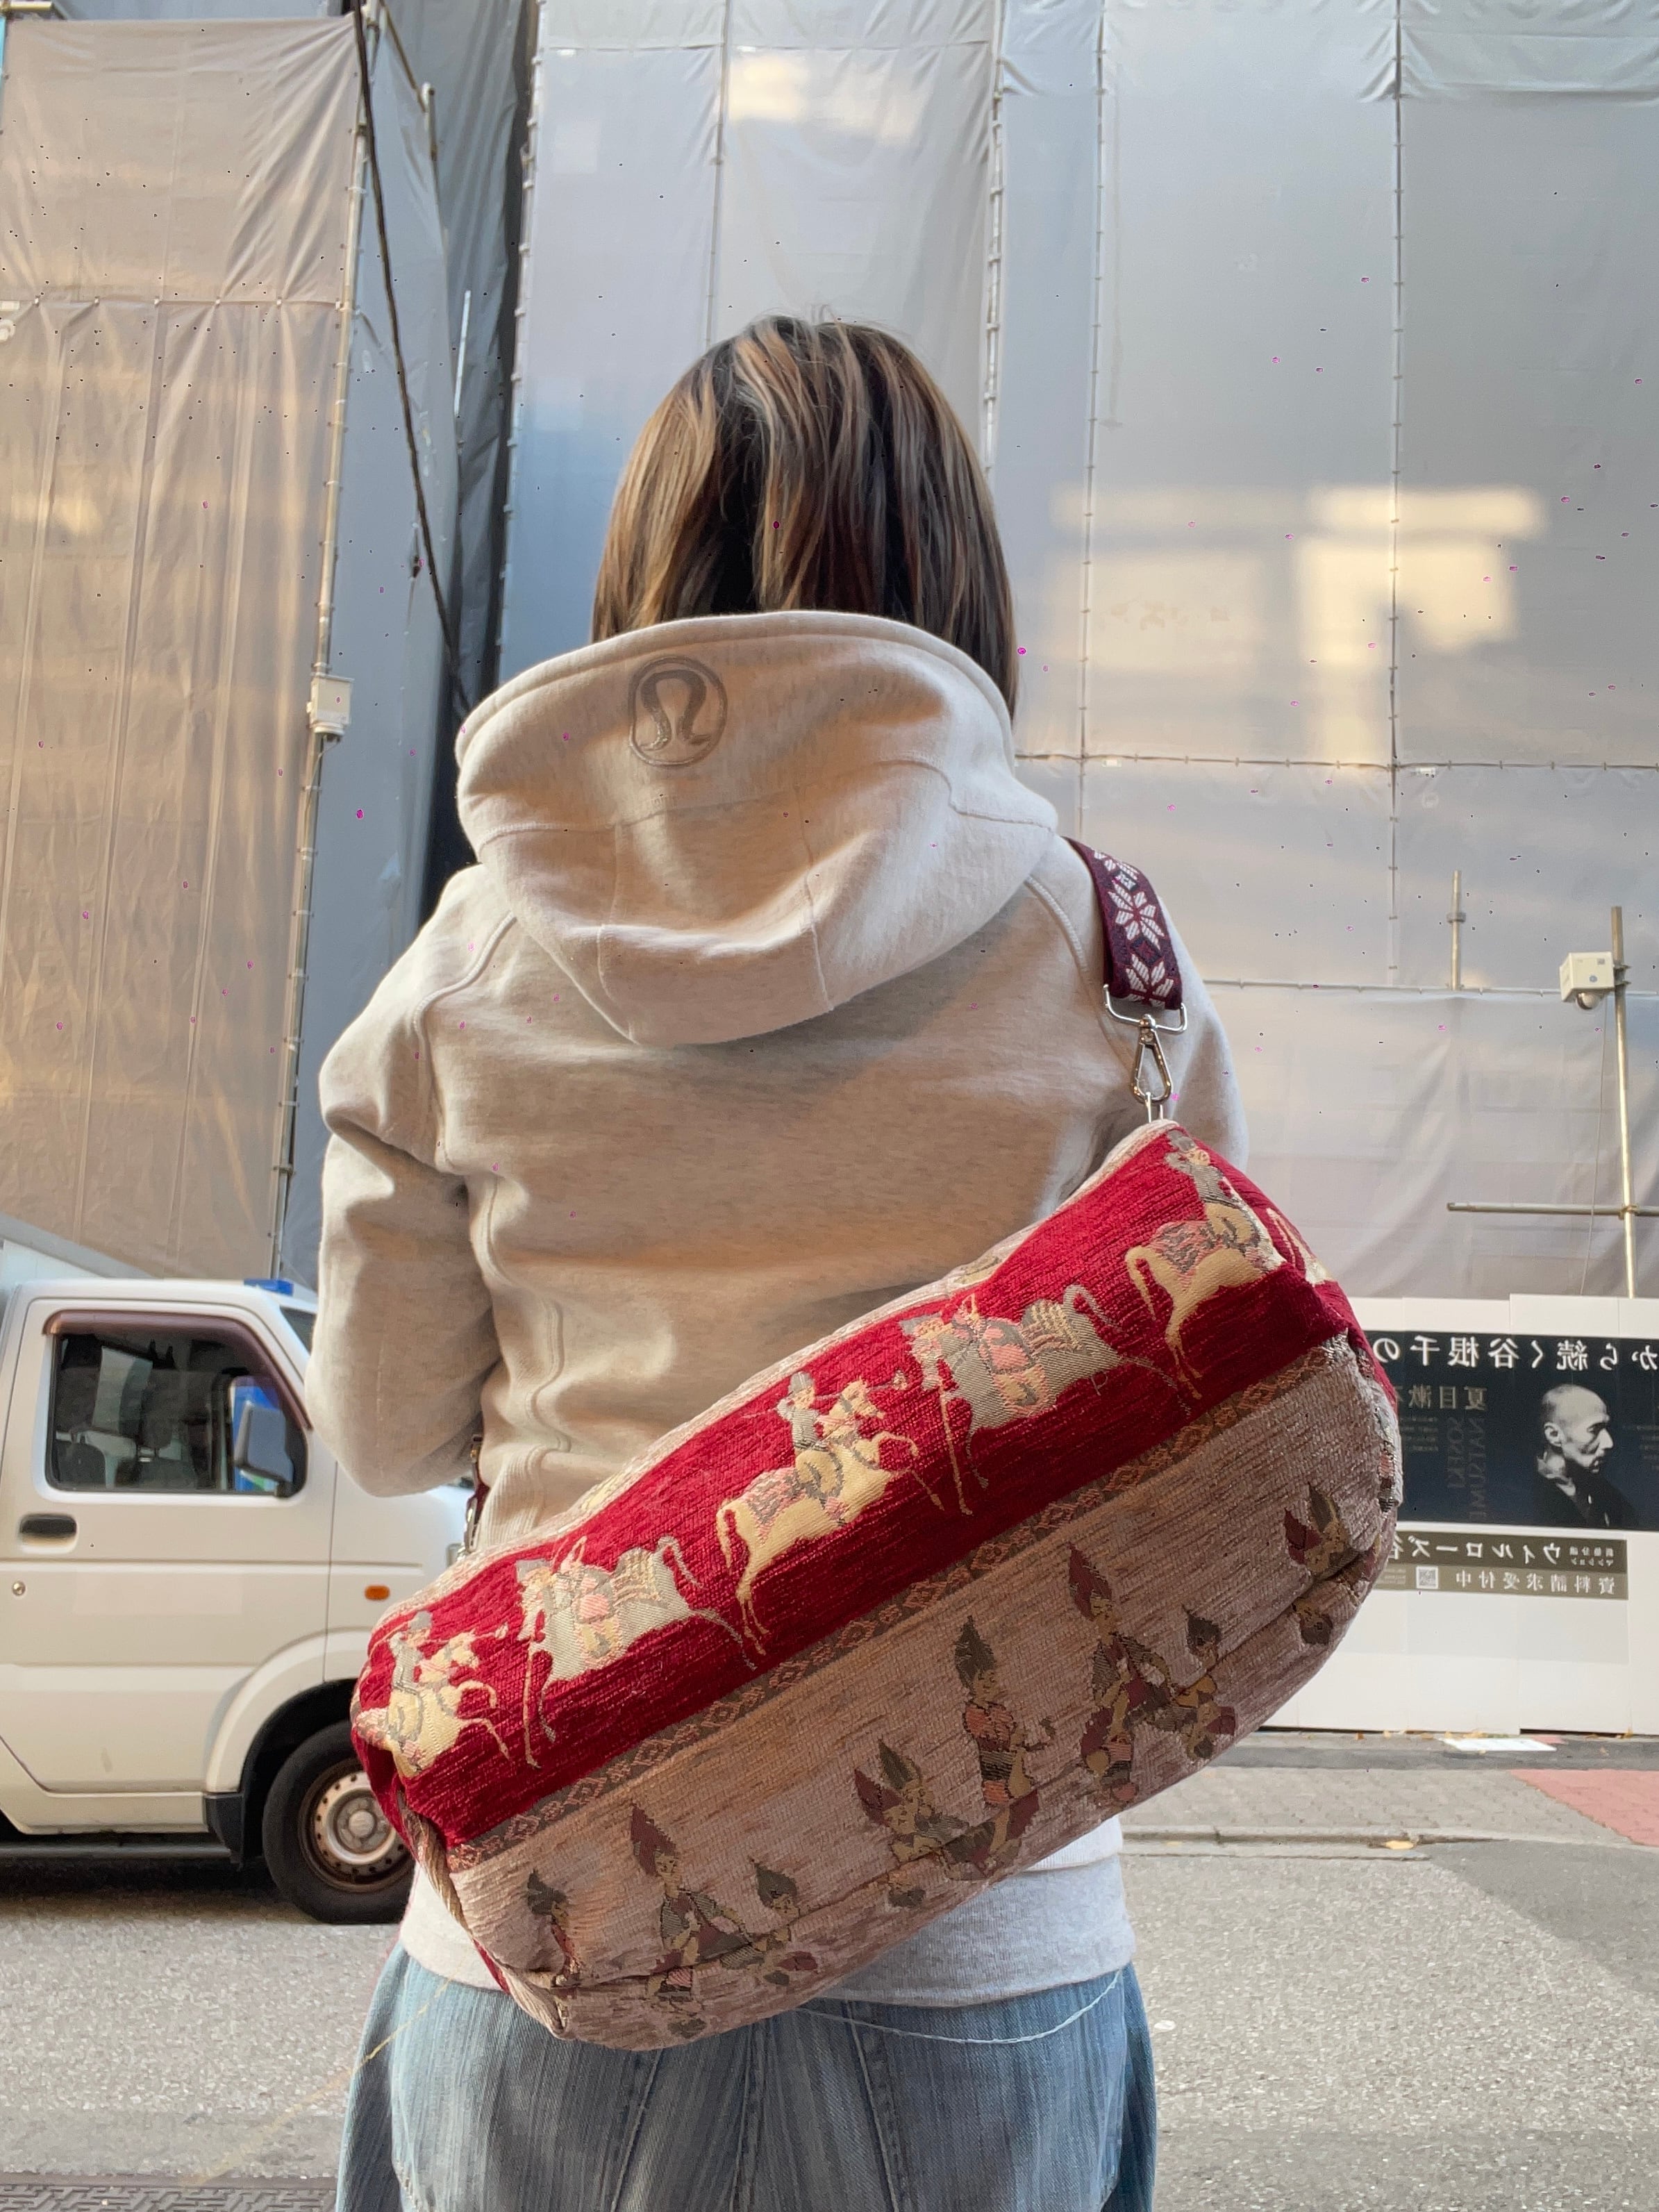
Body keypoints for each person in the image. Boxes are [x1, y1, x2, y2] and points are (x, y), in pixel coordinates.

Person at [309, 314, 1247, 2212]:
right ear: (957, 582)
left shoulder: (468, 966)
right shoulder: (1110, 958)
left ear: (641, 587)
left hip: (547, 1924)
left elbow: (391, 1430)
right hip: (982, 1944)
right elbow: (1203, 1441)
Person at [1533, 1383, 1633, 1529]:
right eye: (1594, 1430)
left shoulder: (1608, 1494)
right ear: (1554, 1435)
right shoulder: (1527, 1496)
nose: (1609, 1443)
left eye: (1605, 1428)